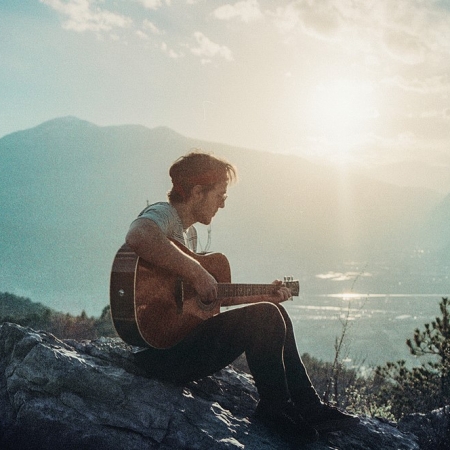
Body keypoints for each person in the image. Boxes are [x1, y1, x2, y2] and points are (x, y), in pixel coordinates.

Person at [126, 150, 359, 444]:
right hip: (158, 355)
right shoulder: (164, 215)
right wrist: (198, 272)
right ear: (198, 192)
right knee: (265, 316)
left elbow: (202, 303)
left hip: (176, 345)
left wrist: (264, 295)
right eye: (220, 196)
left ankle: (308, 407)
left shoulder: (189, 236)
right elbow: (138, 233)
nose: (223, 205)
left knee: (275, 313)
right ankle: (274, 409)